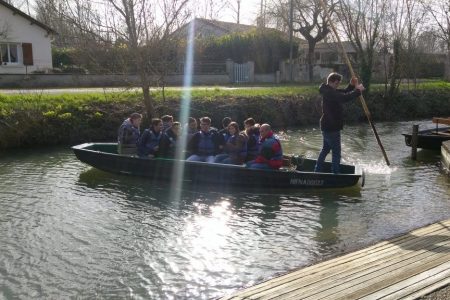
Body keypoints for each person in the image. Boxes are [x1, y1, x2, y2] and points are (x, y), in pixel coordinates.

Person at [314, 72, 365, 174]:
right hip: (332, 127)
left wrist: (351, 85)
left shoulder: (330, 90)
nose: (338, 86)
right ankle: (335, 173)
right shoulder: (330, 93)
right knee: (336, 152)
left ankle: (317, 170)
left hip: (327, 126)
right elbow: (344, 98)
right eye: (337, 83)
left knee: (325, 150)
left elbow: (345, 92)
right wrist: (358, 91)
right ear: (332, 82)